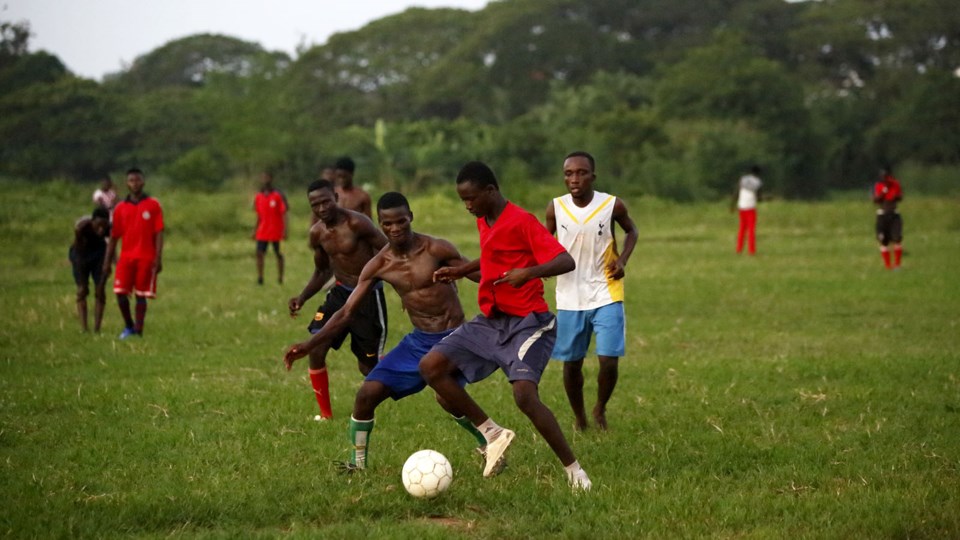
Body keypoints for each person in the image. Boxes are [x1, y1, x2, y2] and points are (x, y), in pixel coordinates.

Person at [420, 161, 593, 491]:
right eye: (463, 200)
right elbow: (492, 258)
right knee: (431, 367)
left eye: (471, 199)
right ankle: (492, 434)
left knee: (524, 395)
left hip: (530, 322)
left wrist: (528, 273)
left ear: (490, 191)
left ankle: (574, 472)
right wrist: (460, 271)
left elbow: (565, 260)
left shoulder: (522, 221)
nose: (468, 206)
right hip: (491, 321)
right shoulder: (485, 219)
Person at [284, 192, 486, 470]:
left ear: (410, 217)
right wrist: (309, 344)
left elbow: (479, 275)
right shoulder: (379, 264)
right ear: (381, 224)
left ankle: (489, 441)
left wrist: (518, 277)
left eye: (401, 221)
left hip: (452, 337)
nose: (395, 229)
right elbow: (346, 312)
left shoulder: (436, 249)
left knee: (445, 396)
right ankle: (358, 465)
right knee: (367, 394)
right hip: (419, 340)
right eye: (388, 224)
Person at [545, 151, 638, 431]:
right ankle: (580, 417)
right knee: (571, 364)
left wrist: (622, 261)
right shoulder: (555, 208)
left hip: (606, 292)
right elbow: (543, 242)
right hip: (569, 296)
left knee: (608, 360)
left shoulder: (611, 205)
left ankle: (600, 409)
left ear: (592, 176)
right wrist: (540, 269)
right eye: (569, 173)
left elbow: (632, 231)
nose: (574, 179)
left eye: (581, 173)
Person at [288, 179, 388, 420]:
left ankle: (399, 385)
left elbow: (388, 251)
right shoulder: (317, 234)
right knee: (316, 346)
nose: (322, 208)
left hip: (367, 296)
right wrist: (302, 297)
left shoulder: (357, 223)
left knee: (367, 366)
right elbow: (322, 271)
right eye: (315, 205)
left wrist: (404, 288)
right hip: (340, 293)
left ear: (335, 196)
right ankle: (325, 415)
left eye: (325, 201)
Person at [101, 168, 164, 340]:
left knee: (141, 294)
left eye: (137, 180)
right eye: (131, 180)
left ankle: (138, 329)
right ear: (127, 183)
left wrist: (158, 258)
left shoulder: (153, 205)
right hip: (126, 257)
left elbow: (159, 232)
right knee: (120, 292)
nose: (135, 183)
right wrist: (107, 262)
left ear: (143, 182)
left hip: (146, 256)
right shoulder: (120, 208)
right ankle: (128, 326)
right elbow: (114, 237)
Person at [70, 207, 110, 332]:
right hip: (81, 254)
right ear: (92, 222)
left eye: (104, 227)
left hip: (99, 254)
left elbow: (111, 247)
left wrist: (108, 264)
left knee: (100, 291)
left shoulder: (110, 228)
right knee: (82, 291)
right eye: (98, 226)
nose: (101, 229)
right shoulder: (81, 227)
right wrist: (83, 282)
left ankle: (97, 329)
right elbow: (79, 254)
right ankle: (84, 328)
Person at [253, 171, 288, 285]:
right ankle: (260, 278)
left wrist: (285, 230)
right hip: (263, 231)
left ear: (271, 179)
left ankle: (280, 277)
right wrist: (255, 230)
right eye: (263, 177)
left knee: (278, 254)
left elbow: (284, 213)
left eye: (267, 177)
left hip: (275, 231)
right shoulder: (258, 196)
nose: (265, 180)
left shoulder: (277, 195)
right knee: (259, 253)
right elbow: (259, 215)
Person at [873, 165, 903, 269]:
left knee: (897, 238)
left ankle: (897, 264)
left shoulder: (895, 184)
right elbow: (876, 200)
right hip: (882, 214)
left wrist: (896, 195)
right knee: (883, 240)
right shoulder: (879, 186)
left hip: (894, 214)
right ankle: (888, 266)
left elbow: (900, 197)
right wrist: (884, 191)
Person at [733, 165, 763, 255]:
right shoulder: (758, 182)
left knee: (742, 229)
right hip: (750, 207)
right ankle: (751, 250)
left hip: (741, 206)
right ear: (758, 173)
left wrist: (733, 204)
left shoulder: (743, 179)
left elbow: (737, 192)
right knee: (751, 230)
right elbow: (758, 197)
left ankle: (739, 249)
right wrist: (765, 198)